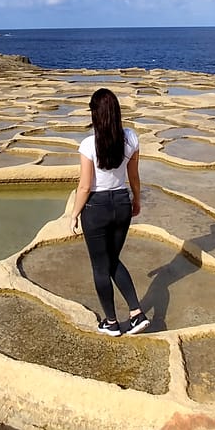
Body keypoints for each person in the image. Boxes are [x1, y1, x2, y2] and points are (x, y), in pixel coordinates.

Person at [69, 88, 150, 336]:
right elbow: (133, 176)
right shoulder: (131, 138)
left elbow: (85, 186)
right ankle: (136, 314)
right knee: (112, 260)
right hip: (121, 204)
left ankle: (111, 322)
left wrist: (73, 214)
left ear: (95, 114)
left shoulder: (88, 145)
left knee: (100, 267)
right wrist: (136, 199)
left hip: (96, 208)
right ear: (115, 112)